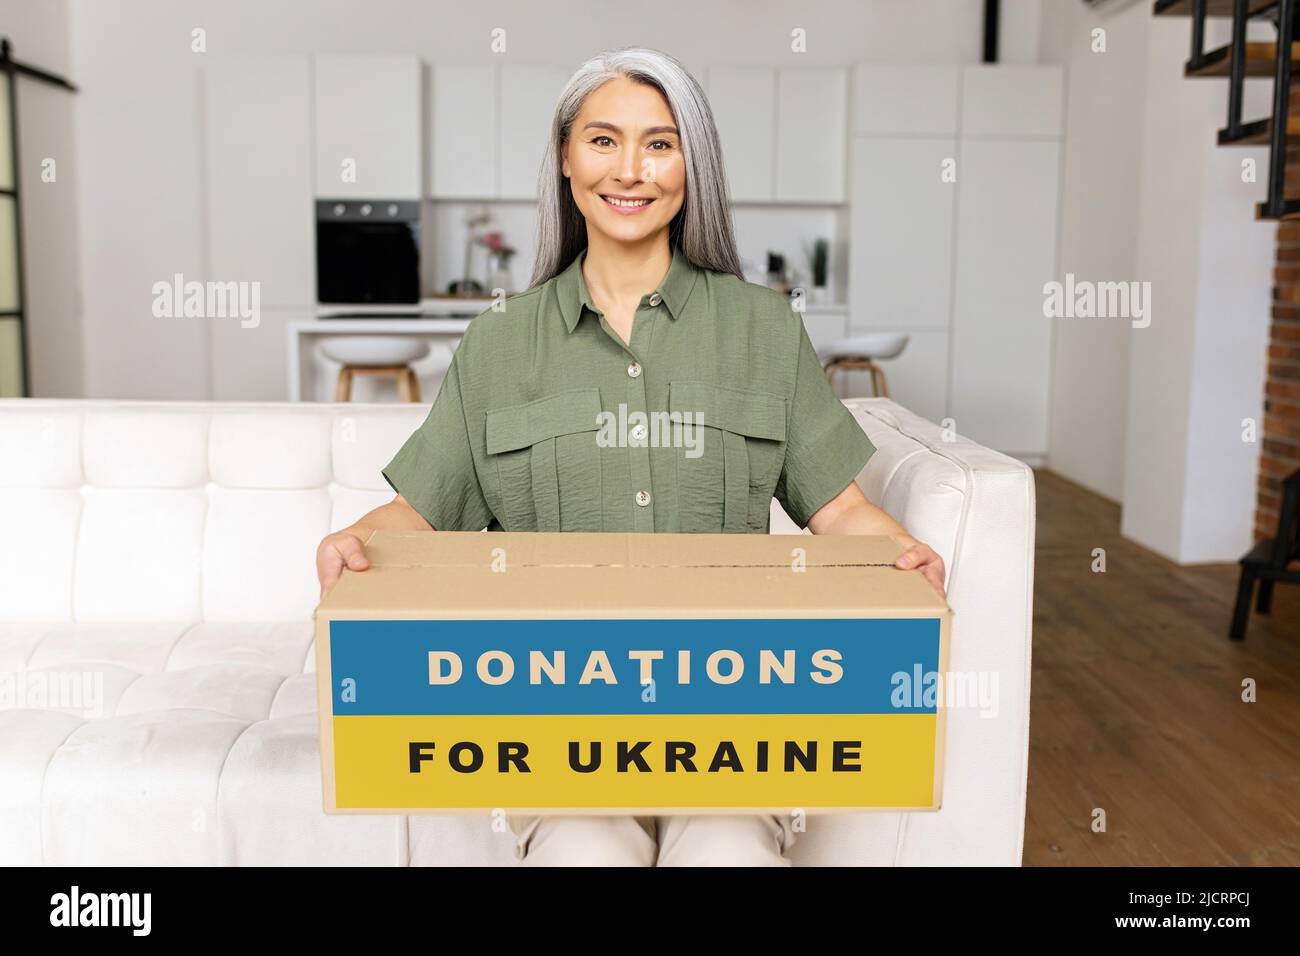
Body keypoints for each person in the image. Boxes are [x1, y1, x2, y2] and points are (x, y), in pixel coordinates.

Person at [315, 46, 946, 866]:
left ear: (692, 165)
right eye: (604, 140)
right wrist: (358, 542)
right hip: (553, 718)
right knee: (583, 848)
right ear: (567, 161)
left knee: (730, 849)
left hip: (731, 714)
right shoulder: (499, 342)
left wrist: (902, 556)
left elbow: (840, 509)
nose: (632, 169)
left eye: (661, 142)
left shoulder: (763, 327)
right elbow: (420, 513)